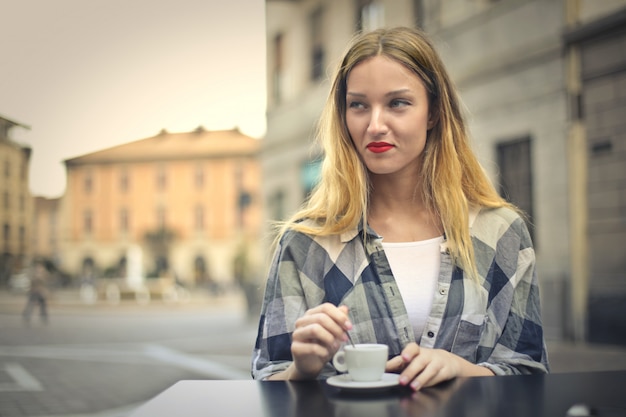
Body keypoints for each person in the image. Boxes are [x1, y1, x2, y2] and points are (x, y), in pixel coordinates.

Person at [252, 26, 549, 390]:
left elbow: (528, 370)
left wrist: (457, 367)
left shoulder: (501, 233)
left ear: (433, 113)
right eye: (358, 105)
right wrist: (303, 367)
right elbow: (267, 379)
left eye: (397, 103)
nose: (375, 125)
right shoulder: (305, 243)